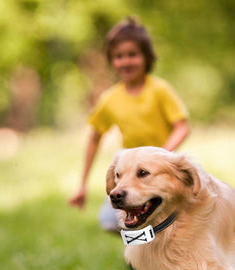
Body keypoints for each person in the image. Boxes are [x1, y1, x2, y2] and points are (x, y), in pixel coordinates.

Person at [69, 17, 190, 232]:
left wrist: (162, 156)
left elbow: (182, 127)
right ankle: (141, 255)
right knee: (110, 221)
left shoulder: (160, 90)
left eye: (132, 54)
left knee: (178, 218)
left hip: (161, 172)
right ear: (112, 60)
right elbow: (95, 138)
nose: (126, 61)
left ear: (146, 57)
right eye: (118, 56)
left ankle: (167, 251)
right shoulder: (110, 99)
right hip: (130, 175)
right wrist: (82, 184)